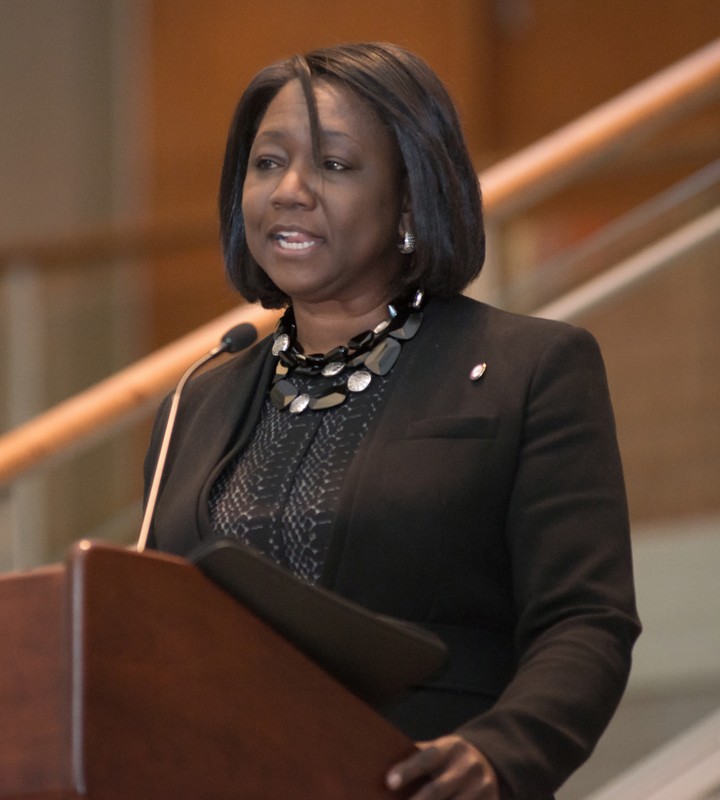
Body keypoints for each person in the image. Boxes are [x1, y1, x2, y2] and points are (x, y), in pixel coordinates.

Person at [144, 42, 641, 800]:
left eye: (335, 166)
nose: (290, 192)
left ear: (412, 199)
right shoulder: (196, 398)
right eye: (268, 163)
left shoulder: (530, 369)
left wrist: (500, 753)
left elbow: (586, 620)